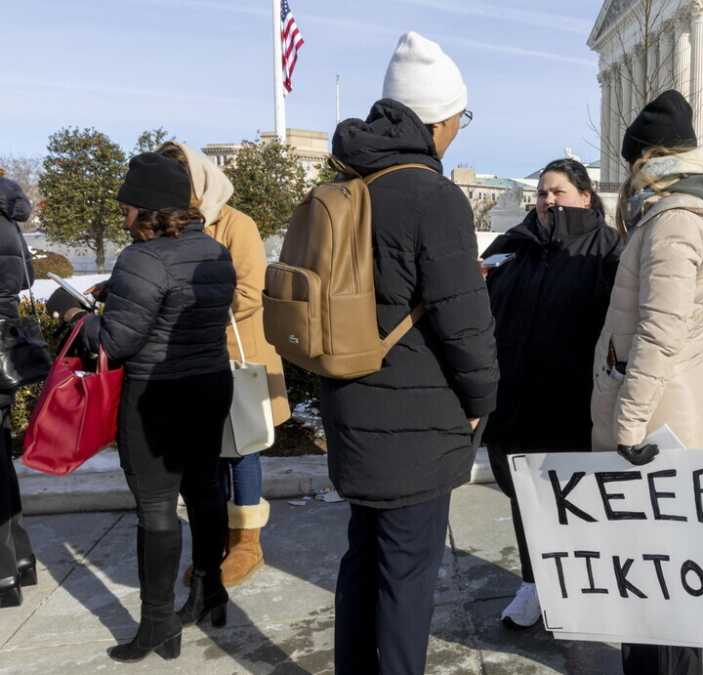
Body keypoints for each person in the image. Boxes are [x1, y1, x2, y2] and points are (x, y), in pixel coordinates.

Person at [321, 32, 498, 675]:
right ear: (437, 120)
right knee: (407, 577)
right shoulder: (431, 196)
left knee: (361, 560)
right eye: (458, 119)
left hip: (350, 402)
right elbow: (465, 324)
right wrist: (482, 400)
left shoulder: (348, 184)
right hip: (416, 420)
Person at [590, 90, 703, 675]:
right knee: (657, 574)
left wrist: (627, 426)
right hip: (665, 407)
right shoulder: (676, 215)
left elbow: (659, 335)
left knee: (664, 578)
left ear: (648, 159)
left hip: (658, 418)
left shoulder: (674, 221)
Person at [63, 153, 236, 662]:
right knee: (205, 491)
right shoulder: (212, 249)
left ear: (146, 208)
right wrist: (122, 293)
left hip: (156, 397)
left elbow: (115, 342)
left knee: (157, 508)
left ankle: (159, 622)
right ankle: (210, 594)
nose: (121, 214)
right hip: (209, 385)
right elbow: (189, 307)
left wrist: (73, 313)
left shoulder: (140, 258)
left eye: (126, 205)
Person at [481, 158, 622, 630]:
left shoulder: (605, 249)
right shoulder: (513, 245)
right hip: (513, 403)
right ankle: (535, 584)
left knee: (577, 503)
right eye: (542, 192)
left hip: (571, 404)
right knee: (525, 498)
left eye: (558, 191)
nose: (547, 200)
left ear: (585, 196)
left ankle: (585, 584)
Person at [157, 142, 290, 585]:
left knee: (241, 448)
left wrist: (190, 309)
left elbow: (251, 293)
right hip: (188, 359)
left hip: (237, 357)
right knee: (206, 453)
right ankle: (213, 539)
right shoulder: (166, 227)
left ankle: (247, 543)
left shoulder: (237, 225)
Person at [0, 172, 36, 609]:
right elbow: (27, 274)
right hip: (5, 347)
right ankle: (18, 559)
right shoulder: (8, 217)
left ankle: (6, 569)